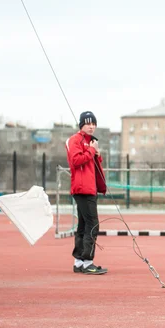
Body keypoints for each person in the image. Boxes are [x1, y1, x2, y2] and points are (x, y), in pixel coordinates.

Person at [65, 111, 108, 275]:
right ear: (81, 124)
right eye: (88, 123)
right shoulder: (74, 140)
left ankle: (79, 262)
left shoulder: (92, 142)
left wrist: (96, 154)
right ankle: (88, 261)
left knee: (83, 225)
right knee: (93, 224)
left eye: (94, 123)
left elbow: (94, 166)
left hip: (90, 188)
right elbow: (75, 161)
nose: (91, 126)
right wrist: (91, 151)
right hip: (82, 188)